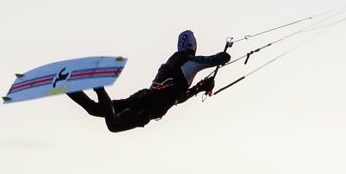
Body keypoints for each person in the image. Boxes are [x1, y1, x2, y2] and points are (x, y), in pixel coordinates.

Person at [67, 30, 232, 132]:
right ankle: (99, 87)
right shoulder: (189, 63)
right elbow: (216, 59)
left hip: (143, 98)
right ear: (193, 47)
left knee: (95, 110)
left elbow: (176, 98)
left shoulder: (170, 65)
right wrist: (223, 58)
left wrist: (199, 89)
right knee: (113, 125)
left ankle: (68, 87)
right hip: (146, 108)